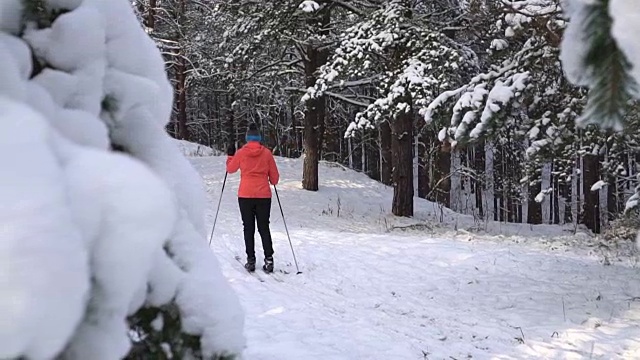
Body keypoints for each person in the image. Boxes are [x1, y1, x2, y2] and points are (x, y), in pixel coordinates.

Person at [226, 123, 280, 273]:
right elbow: (275, 179)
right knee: (264, 227)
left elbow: (230, 169)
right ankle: (269, 259)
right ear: (259, 138)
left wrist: (230, 155)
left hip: (245, 195)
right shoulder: (267, 153)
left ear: (247, 138)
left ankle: (251, 260)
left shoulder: (241, 153)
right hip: (263, 196)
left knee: (248, 228)